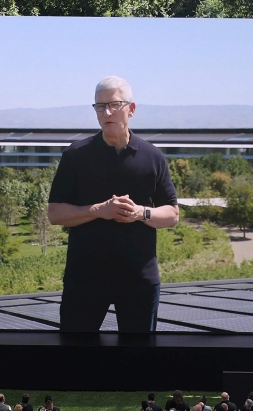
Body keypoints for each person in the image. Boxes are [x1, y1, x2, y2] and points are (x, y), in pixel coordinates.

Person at [47, 75, 180, 333]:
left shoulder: (152, 157)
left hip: (139, 281)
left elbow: (172, 215)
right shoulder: (76, 155)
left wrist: (141, 213)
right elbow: (55, 213)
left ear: (131, 109)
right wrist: (100, 210)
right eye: (100, 106)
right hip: (85, 280)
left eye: (114, 104)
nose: (106, 112)